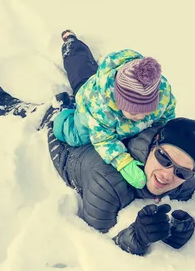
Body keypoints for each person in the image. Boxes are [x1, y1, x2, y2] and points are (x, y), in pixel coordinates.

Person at [0, 34, 195, 256]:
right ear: (155, 143)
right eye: (164, 159)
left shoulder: (180, 173)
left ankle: (72, 43)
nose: (168, 174)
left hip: (111, 118)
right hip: (65, 131)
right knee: (6, 105)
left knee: (86, 83)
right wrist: (138, 237)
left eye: (182, 172)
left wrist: (179, 229)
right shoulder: (107, 182)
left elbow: (184, 188)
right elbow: (99, 238)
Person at [52, 30, 177, 190]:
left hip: (106, 90)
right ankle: (71, 44)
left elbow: (167, 115)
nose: (141, 117)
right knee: (73, 135)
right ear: (118, 102)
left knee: (87, 72)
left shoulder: (162, 94)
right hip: (87, 109)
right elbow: (104, 141)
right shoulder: (101, 109)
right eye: (134, 112)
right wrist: (123, 162)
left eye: (147, 112)